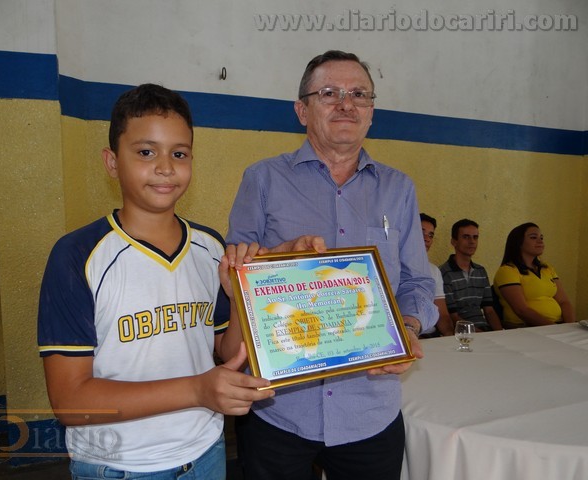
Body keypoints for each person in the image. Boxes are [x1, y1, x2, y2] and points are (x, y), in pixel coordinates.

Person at [37, 84, 274, 479]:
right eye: (146, 152)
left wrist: (238, 303)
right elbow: (69, 400)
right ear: (112, 162)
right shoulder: (77, 255)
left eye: (179, 154)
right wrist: (197, 390)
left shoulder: (210, 247)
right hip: (119, 465)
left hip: (205, 451)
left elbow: (227, 351)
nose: (165, 167)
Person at [226, 50, 437, 480]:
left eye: (359, 94)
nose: (346, 104)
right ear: (302, 110)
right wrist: (283, 254)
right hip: (279, 410)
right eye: (329, 93)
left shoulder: (399, 189)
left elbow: (416, 281)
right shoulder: (262, 179)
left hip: (369, 411)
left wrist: (407, 329)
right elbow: (235, 277)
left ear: (372, 112)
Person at [493, 222, 575, 328]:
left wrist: (570, 327)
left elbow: (564, 302)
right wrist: (555, 329)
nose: (540, 241)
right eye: (533, 237)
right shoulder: (507, 270)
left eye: (541, 238)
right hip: (528, 327)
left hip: (557, 326)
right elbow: (521, 310)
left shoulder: (547, 268)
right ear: (518, 242)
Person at [439, 219, 503, 332]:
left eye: (475, 237)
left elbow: (489, 310)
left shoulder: (480, 271)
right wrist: (478, 334)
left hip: (484, 329)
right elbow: (452, 316)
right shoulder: (443, 273)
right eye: (466, 237)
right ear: (454, 241)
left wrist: (500, 333)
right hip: (462, 333)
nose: (472, 241)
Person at [419, 213, 454, 337]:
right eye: (421, 232)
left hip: (430, 335)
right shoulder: (392, 268)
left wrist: (450, 337)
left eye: (431, 235)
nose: (427, 239)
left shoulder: (434, 271)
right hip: (403, 336)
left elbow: (442, 314)